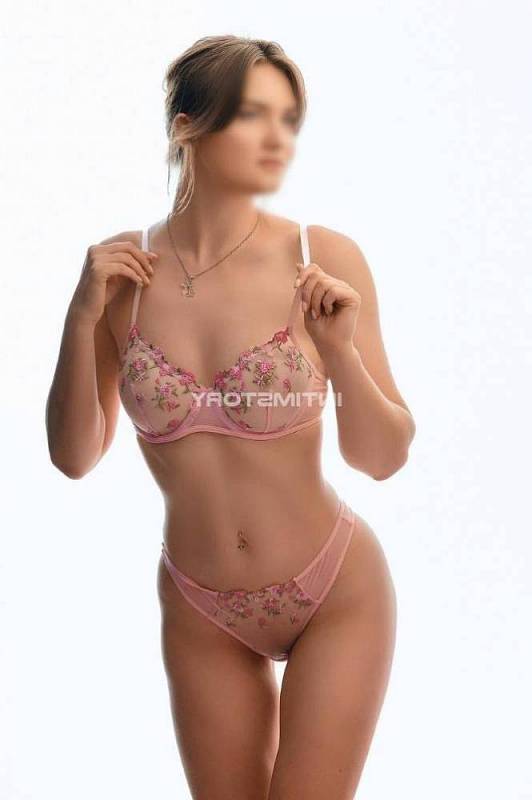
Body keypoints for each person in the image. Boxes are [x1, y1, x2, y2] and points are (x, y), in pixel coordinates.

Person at [46, 34, 415, 800]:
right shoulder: (121, 277)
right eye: (252, 115)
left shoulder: (320, 255)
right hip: (200, 607)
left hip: (335, 594)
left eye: (288, 118)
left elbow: (382, 456)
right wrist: (80, 319)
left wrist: (338, 352)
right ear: (186, 126)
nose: (278, 138)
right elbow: (74, 456)